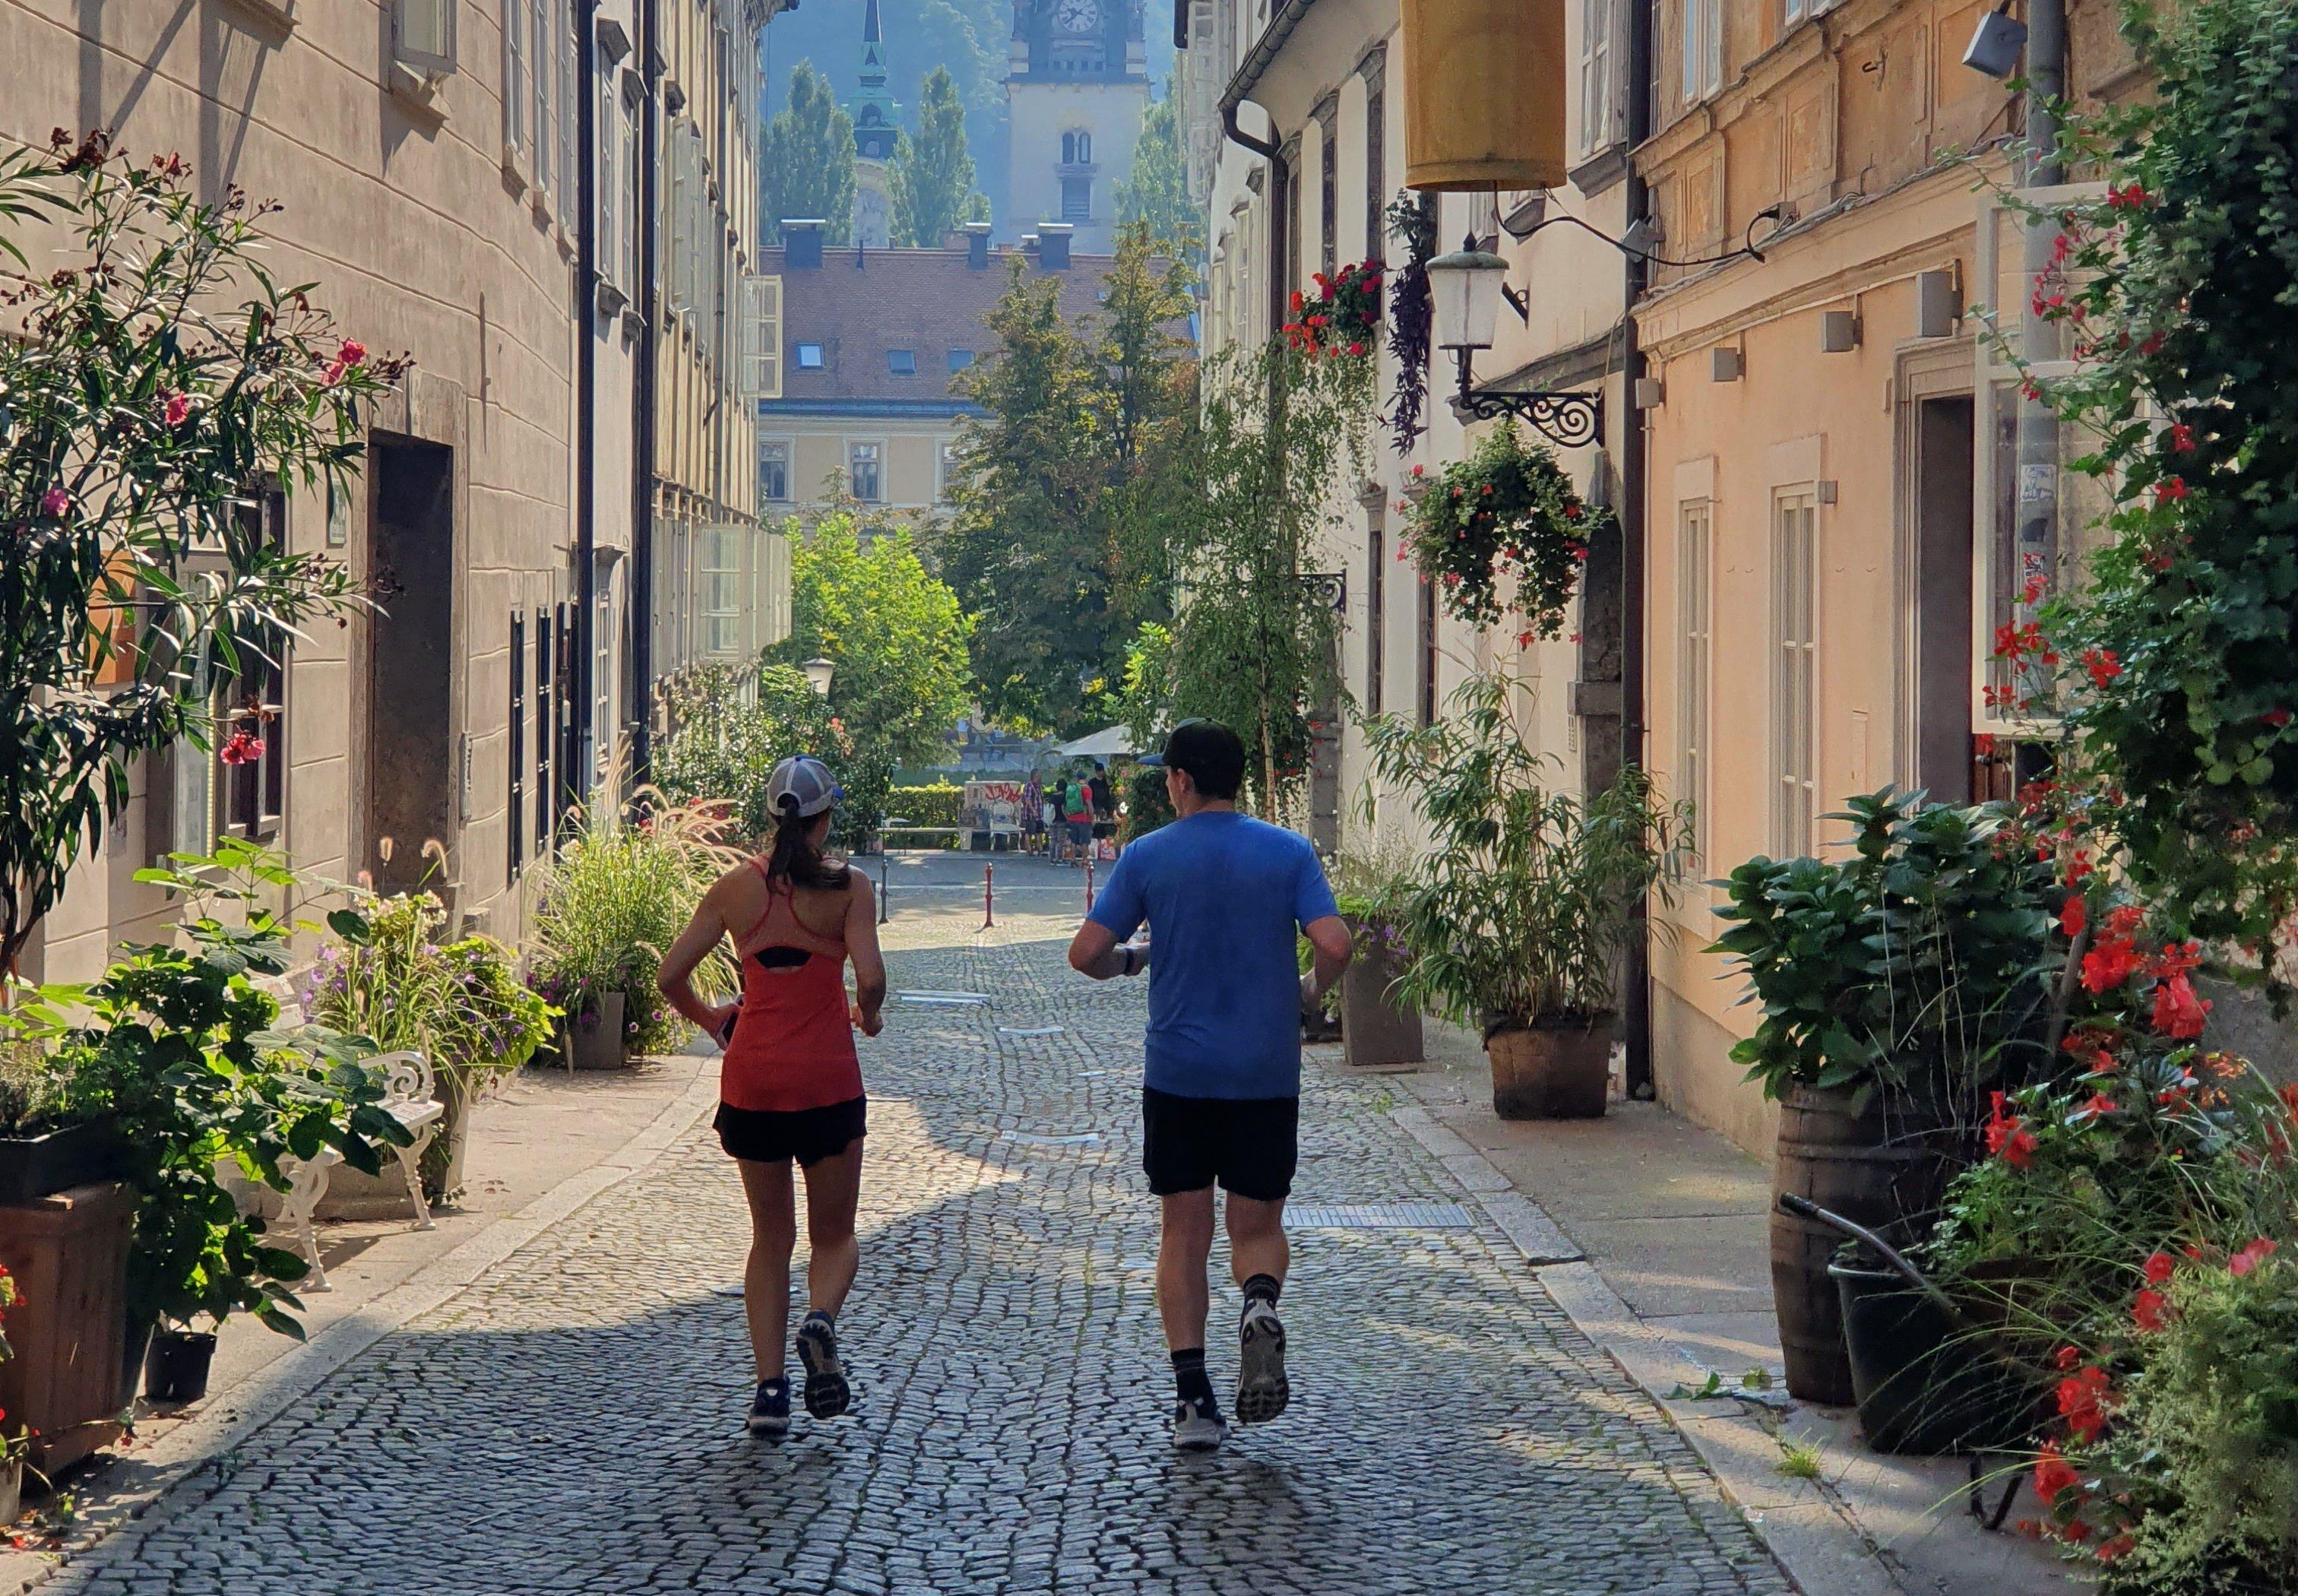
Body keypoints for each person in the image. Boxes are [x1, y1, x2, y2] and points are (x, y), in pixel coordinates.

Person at [1065, 720, 1352, 1451]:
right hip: (1263, 1071)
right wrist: (1309, 992)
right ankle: (1258, 1303)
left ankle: (1194, 1402)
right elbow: (1337, 941)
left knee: (1182, 1233)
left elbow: (1086, 954)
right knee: (1256, 1227)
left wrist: (1135, 961)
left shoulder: (1148, 856)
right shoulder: (1287, 851)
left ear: (1181, 782)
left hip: (1180, 1076)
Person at [658, 755, 886, 1439]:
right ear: (827, 818)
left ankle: (768, 1394)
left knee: (769, 1238)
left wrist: (714, 1021)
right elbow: (870, 979)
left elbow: (672, 974)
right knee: (835, 1235)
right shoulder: (851, 889)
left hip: (753, 1080)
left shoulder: (734, 890)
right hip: (826, 1081)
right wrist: (866, 1017)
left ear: (771, 815)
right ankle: (820, 1321)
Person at [1064, 771, 1094, 866]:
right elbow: (1089, 803)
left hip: (1072, 819)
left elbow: (1066, 805)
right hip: (1084, 819)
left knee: (1073, 841)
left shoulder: (1073, 789)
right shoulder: (1086, 789)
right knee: (1084, 841)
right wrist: (1092, 817)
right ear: (1086, 778)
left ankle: (1073, 860)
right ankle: (1085, 860)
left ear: (1077, 778)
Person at [1021, 770, 1046, 856]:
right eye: (1038, 774)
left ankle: (1039, 848)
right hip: (1030, 814)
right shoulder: (1029, 785)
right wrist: (1033, 810)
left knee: (1039, 831)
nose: (1040, 776)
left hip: (1039, 813)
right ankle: (1029, 848)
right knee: (1029, 831)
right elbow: (1027, 799)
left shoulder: (1039, 786)